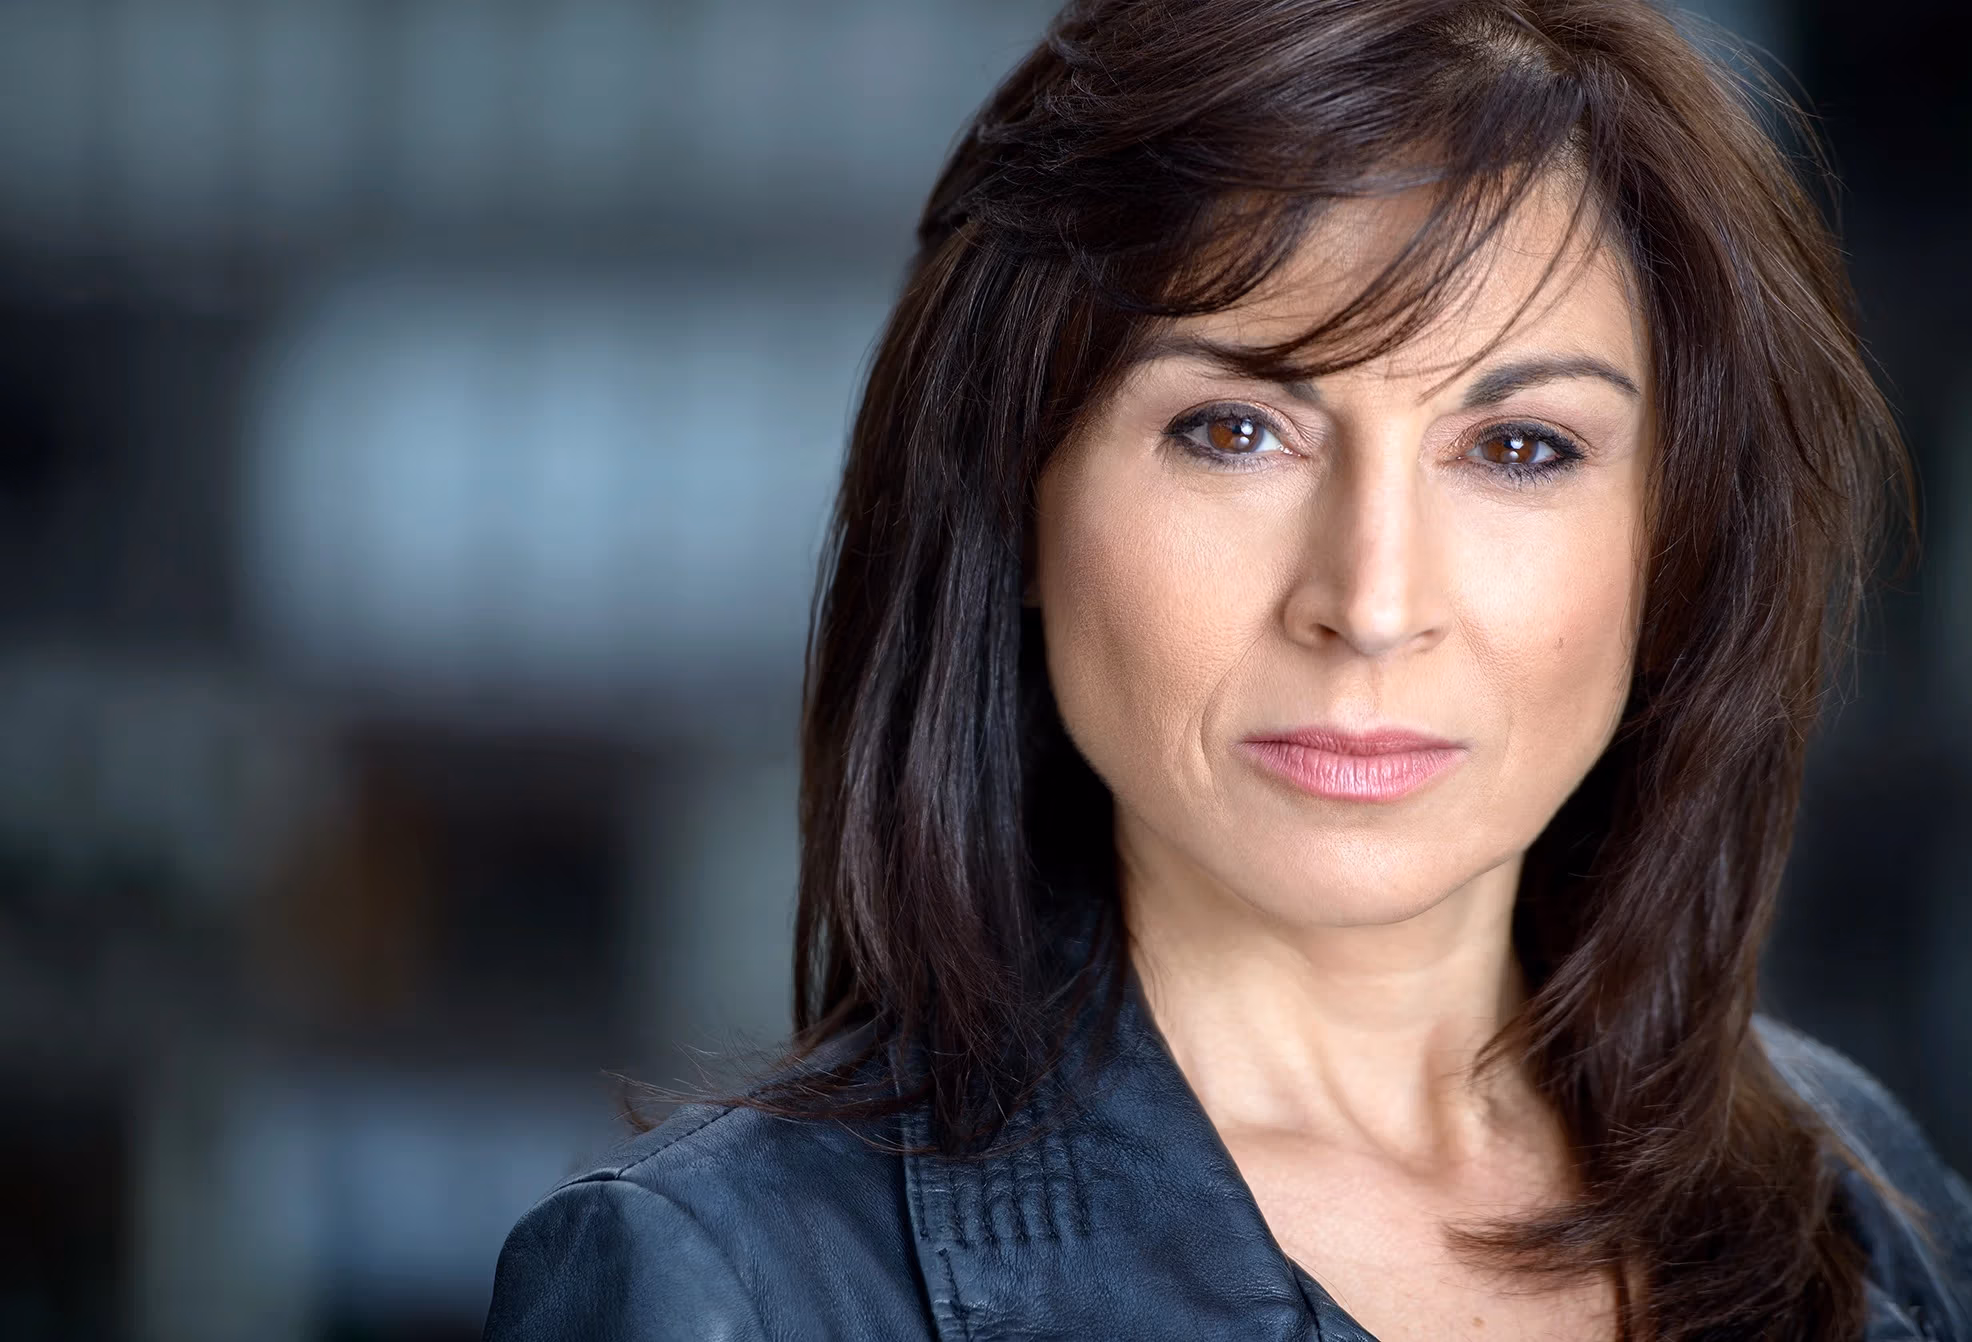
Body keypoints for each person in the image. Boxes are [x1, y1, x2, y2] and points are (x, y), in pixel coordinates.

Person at [483, 0, 1972, 1338]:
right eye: (1235, 431)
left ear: (1678, 546)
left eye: (1521, 448)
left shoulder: (1858, 1204)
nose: (1372, 600)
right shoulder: (725, 1282)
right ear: (1017, 495)